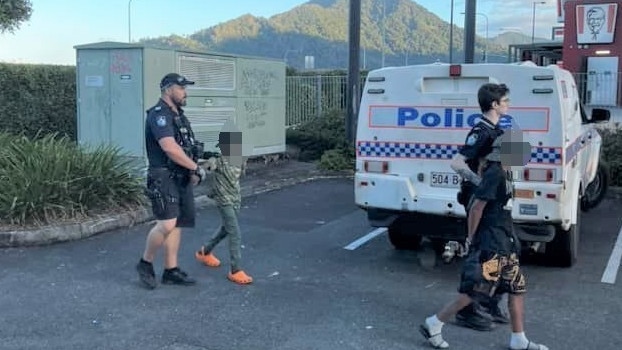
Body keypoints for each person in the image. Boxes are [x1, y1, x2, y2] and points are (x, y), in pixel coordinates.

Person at [419, 135, 549, 350]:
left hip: (504, 241)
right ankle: (434, 323)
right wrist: (471, 238)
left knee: (517, 288)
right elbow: (477, 207)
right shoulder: (495, 174)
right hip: (493, 244)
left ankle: (519, 339)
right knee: (479, 290)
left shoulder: (505, 172)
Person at [136, 73, 207, 289]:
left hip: (180, 175)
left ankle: (171, 270)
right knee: (166, 223)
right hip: (163, 175)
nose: (185, 93)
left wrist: (192, 168)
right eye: (181, 88)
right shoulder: (160, 115)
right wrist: (195, 168)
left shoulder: (179, 116)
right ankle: (145, 263)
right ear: (168, 89)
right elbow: (169, 147)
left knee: (177, 223)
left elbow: (187, 146)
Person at [449, 83, 511, 330]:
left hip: (492, 201)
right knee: (478, 252)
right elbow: (456, 162)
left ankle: (490, 302)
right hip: (479, 200)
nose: (508, 104)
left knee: (499, 252)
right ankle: (467, 310)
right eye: (505, 101)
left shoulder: (496, 130)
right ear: (494, 105)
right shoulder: (482, 131)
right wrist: (480, 183)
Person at [194, 121, 253, 285]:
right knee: (235, 232)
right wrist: (200, 164)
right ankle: (236, 270)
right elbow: (205, 167)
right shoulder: (217, 161)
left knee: (226, 229)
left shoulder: (240, 158)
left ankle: (204, 252)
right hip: (224, 200)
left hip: (236, 199)